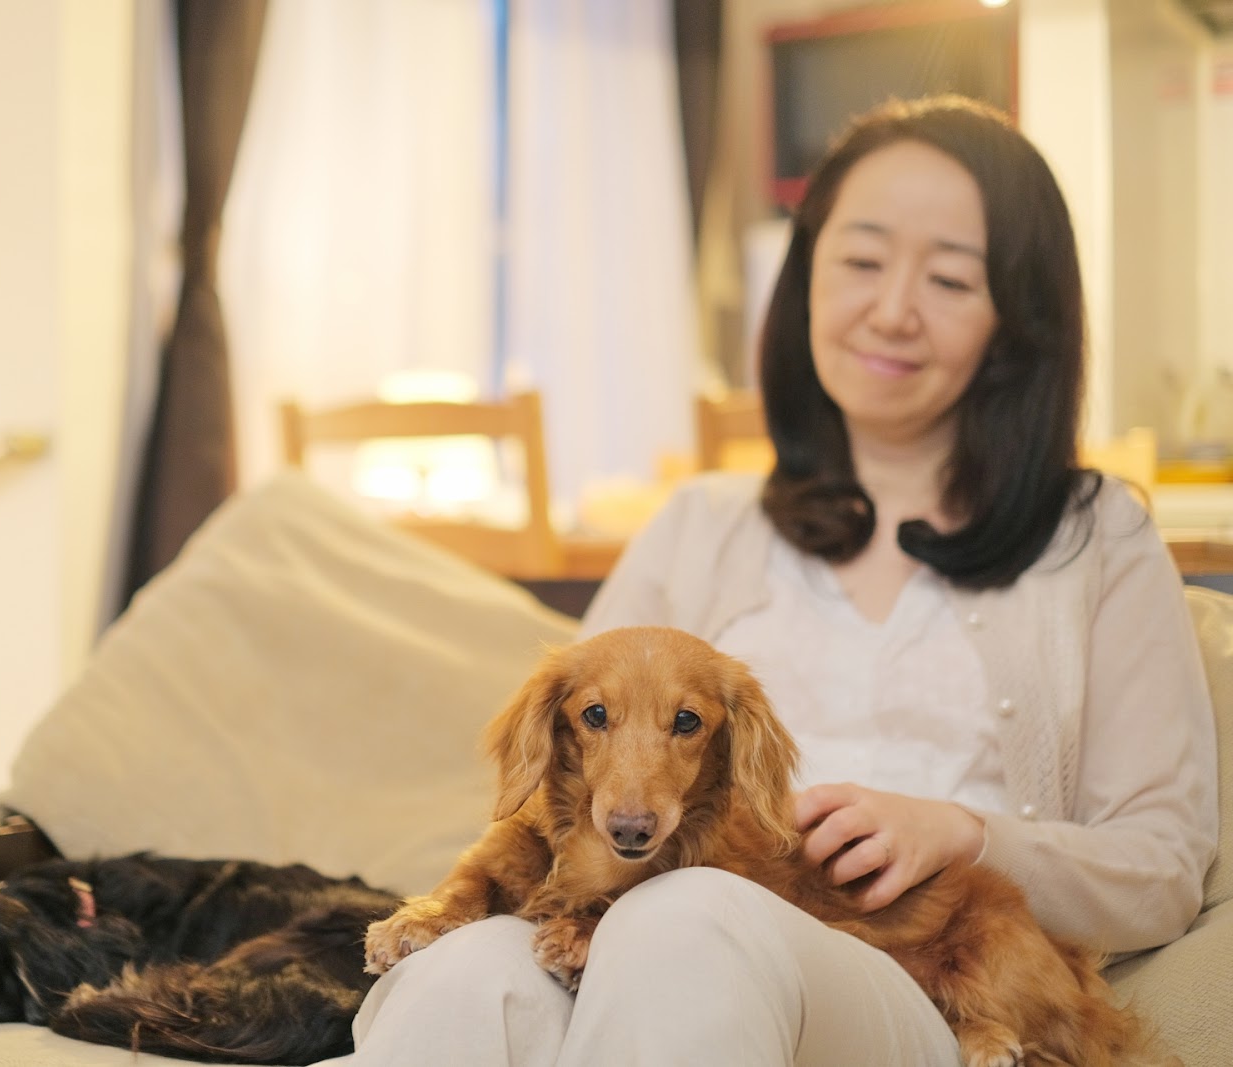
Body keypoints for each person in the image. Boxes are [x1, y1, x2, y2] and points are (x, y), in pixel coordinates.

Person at [335, 95, 1220, 1066]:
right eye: (861, 259)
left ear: (1019, 320)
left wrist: (964, 833)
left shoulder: (1095, 536)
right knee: (463, 976)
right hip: (637, 950)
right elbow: (573, 792)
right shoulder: (700, 523)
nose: (891, 309)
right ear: (804, 284)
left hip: (912, 987)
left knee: (692, 916)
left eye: (951, 279)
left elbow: (1163, 870)